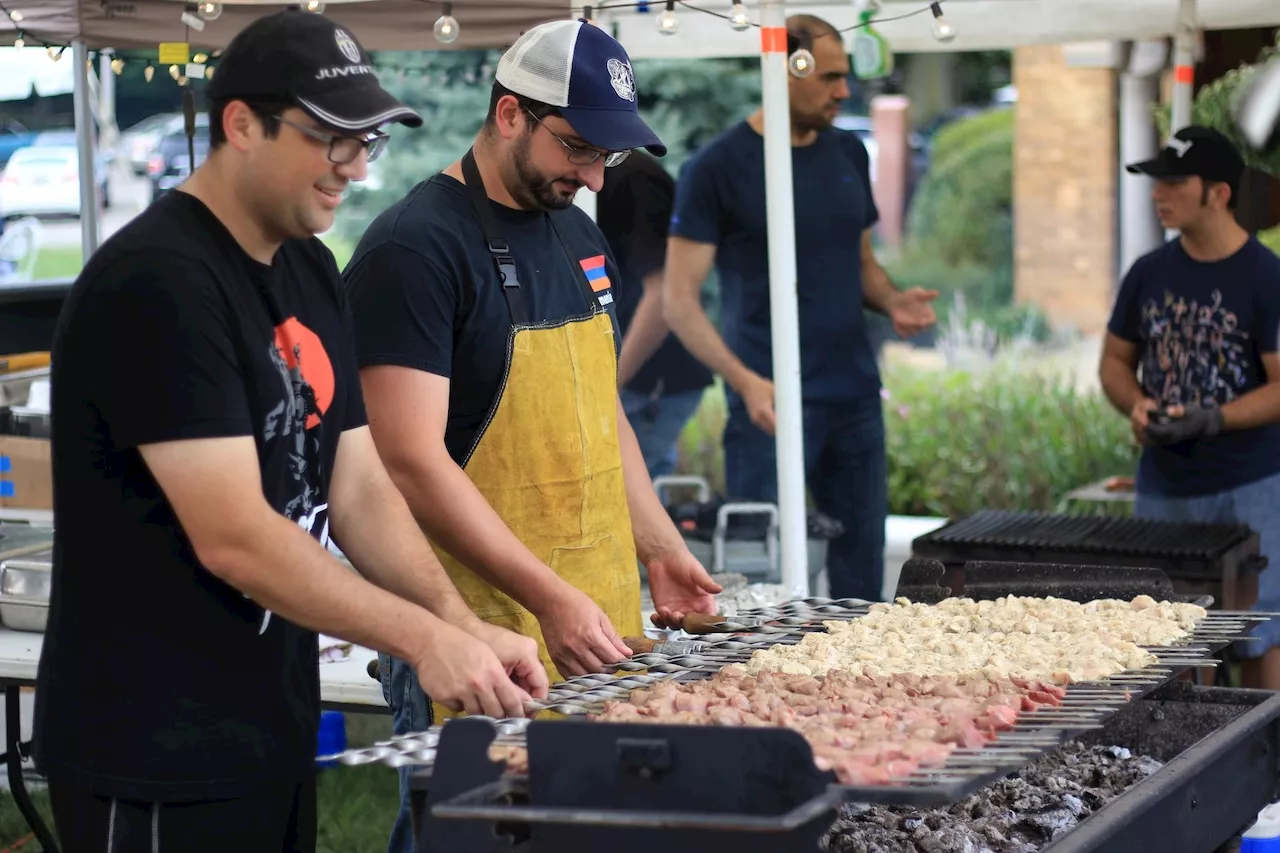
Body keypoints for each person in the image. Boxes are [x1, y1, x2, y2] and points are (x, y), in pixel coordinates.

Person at [33, 12, 546, 852]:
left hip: (268, 727)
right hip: (155, 744)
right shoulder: (158, 283)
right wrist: (422, 640)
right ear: (241, 124)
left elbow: (360, 481)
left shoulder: (307, 262)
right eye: (329, 139)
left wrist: (458, 623)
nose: (352, 165)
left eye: (366, 141)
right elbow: (235, 536)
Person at [342, 20, 723, 852]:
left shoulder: (580, 236)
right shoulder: (415, 249)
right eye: (578, 148)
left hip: (598, 630)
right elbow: (406, 460)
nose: (591, 179)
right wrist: (548, 597)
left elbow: (602, 412)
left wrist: (657, 545)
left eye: (606, 158)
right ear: (510, 114)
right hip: (480, 643)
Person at [661, 14, 937, 603]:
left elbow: (862, 263)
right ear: (786, 69)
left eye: (846, 77)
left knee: (862, 577)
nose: (844, 91)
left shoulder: (846, 153)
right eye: (831, 77)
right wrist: (743, 380)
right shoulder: (715, 168)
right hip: (768, 400)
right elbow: (678, 301)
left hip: (854, 395)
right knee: (765, 582)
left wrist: (892, 300)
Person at [1099, 124, 1280, 690]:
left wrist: (1216, 418)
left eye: (1175, 182)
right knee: (1170, 638)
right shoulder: (1149, 273)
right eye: (1157, 182)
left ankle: (1267, 771)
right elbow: (1113, 362)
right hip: (1165, 486)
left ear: (1219, 193)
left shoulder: (1266, 275)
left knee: (1259, 632)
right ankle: (1185, 766)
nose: (1159, 194)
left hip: (1249, 485)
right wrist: (1135, 405)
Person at [597, 149, 714, 478]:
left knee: (625, 502)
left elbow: (663, 295)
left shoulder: (633, 178)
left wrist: (608, 385)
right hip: (642, 381)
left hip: (649, 382)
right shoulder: (614, 173)